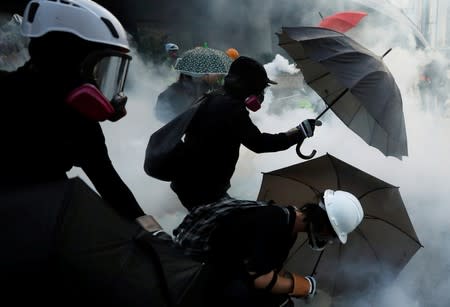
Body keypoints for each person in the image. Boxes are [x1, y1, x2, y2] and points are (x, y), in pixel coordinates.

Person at [0, 0, 144, 220]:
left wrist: (152, 233)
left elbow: (110, 185)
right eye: (100, 69)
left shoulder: (77, 117)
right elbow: (110, 186)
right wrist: (152, 235)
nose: (100, 84)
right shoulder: (73, 116)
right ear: (67, 59)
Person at [169, 56, 321, 210]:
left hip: (190, 182)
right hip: (203, 187)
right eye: (260, 88)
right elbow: (260, 144)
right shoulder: (231, 108)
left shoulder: (212, 97)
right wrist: (299, 133)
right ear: (248, 86)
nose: (262, 94)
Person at [173, 189, 364, 307]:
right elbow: (259, 278)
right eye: (331, 236)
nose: (328, 240)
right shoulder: (273, 221)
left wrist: (296, 285)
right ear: (324, 226)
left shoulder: (288, 224)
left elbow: (267, 267)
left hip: (227, 268)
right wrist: (302, 287)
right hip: (202, 268)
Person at [154, 72, 222, 123]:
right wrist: (181, 122)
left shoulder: (210, 88)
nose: (217, 75)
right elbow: (161, 111)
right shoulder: (177, 90)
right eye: (213, 72)